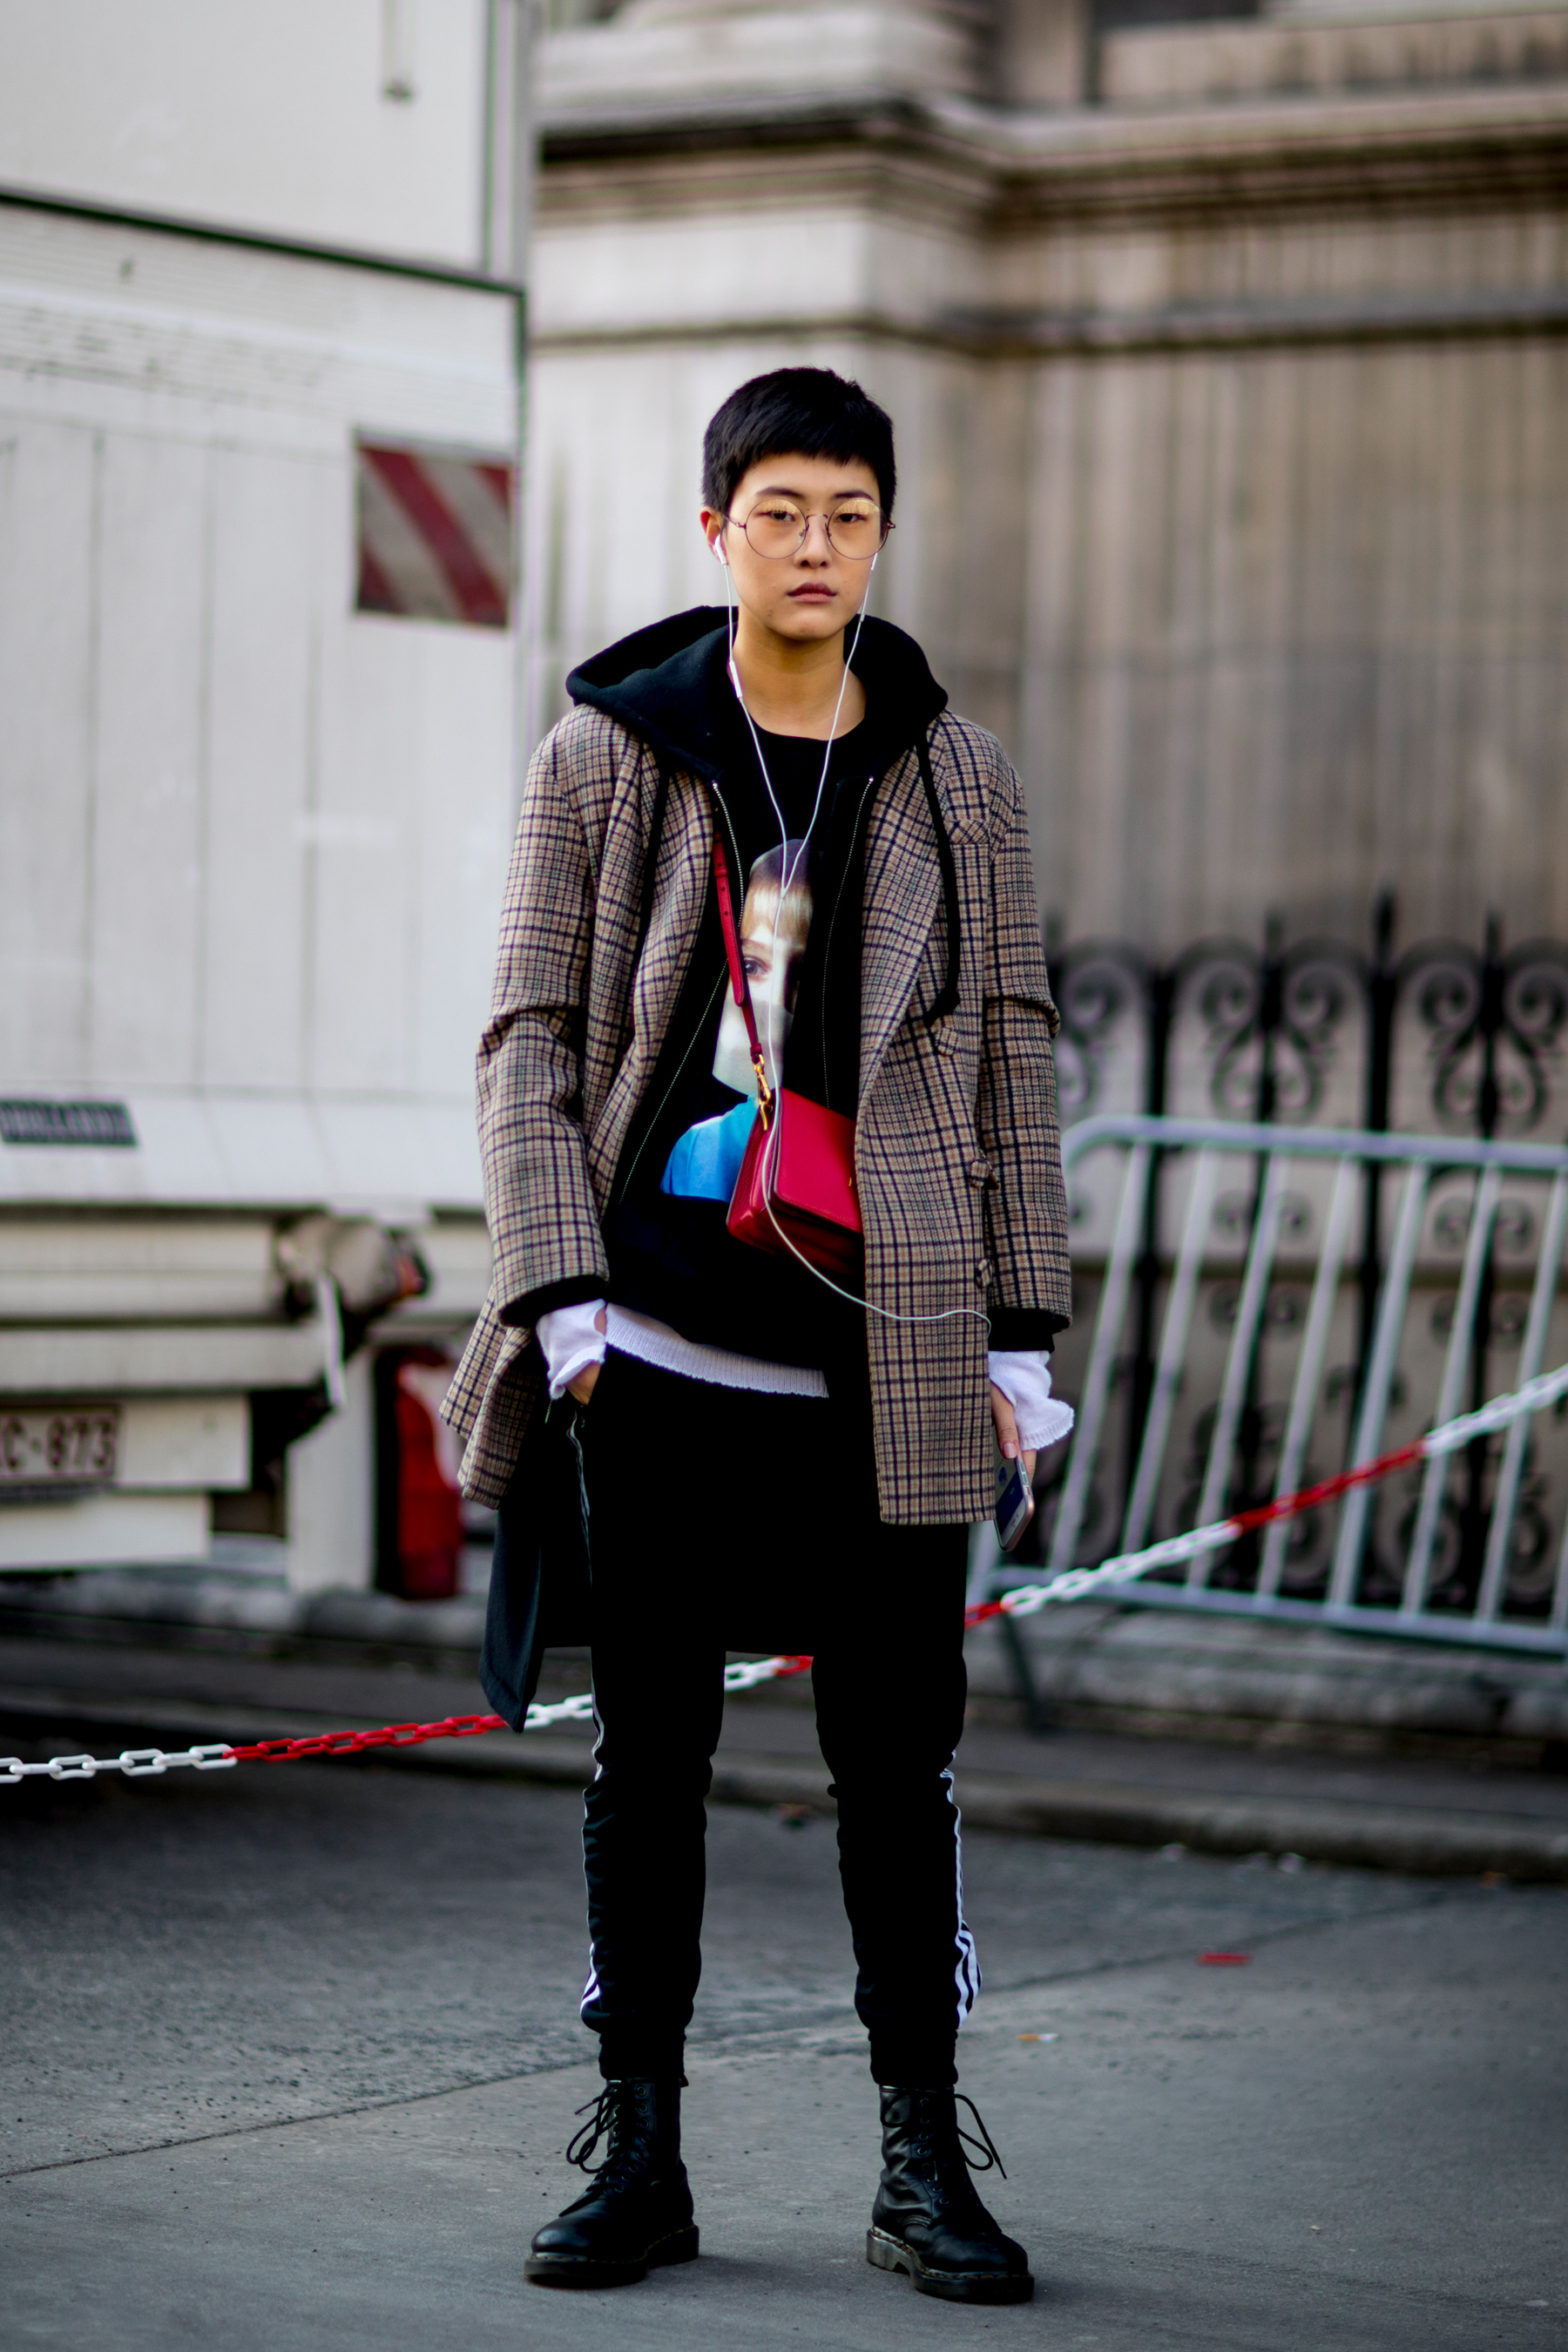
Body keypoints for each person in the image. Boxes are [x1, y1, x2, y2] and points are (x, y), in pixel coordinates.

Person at [443, 367, 1074, 2304]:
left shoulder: (956, 773)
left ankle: (920, 2157)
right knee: (652, 1752)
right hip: (658, 1341)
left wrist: (1023, 1331)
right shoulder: (607, 756)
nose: (816, 548)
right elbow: (531, 1038)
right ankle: (638, 2148)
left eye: (849, 517)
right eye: (781, 513)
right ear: (716, 530)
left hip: (890, 1340)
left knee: (902, 1759)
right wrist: (561, 1296)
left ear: (884, 536)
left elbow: (1012, 1054)